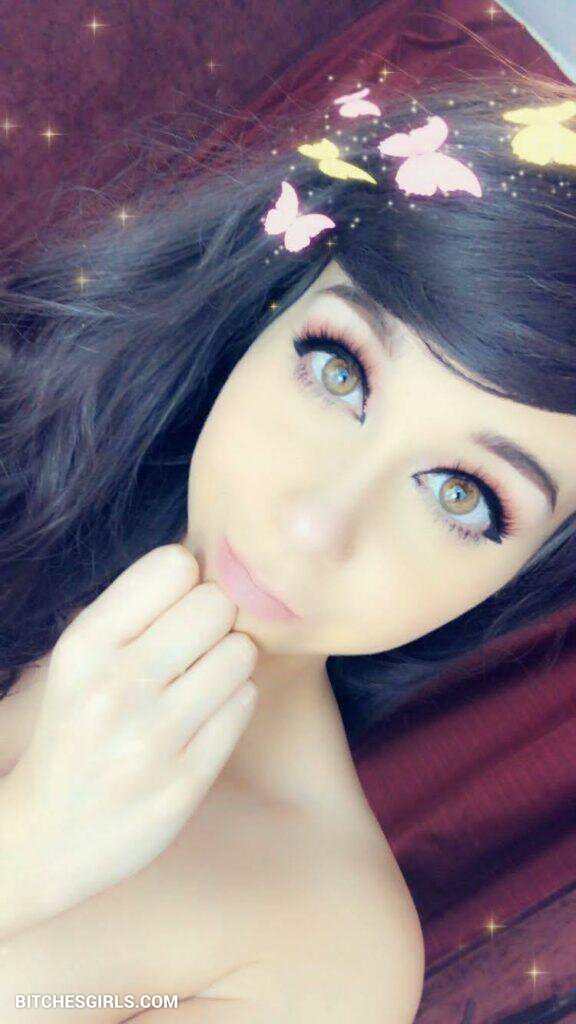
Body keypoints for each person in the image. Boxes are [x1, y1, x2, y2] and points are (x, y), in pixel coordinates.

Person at [0, 71, 575, 1023]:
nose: (315, 524)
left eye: (461, 496)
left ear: (534, 566)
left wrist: (29, 860)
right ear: (272, 308)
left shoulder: (323, 953)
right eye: (340, 370)